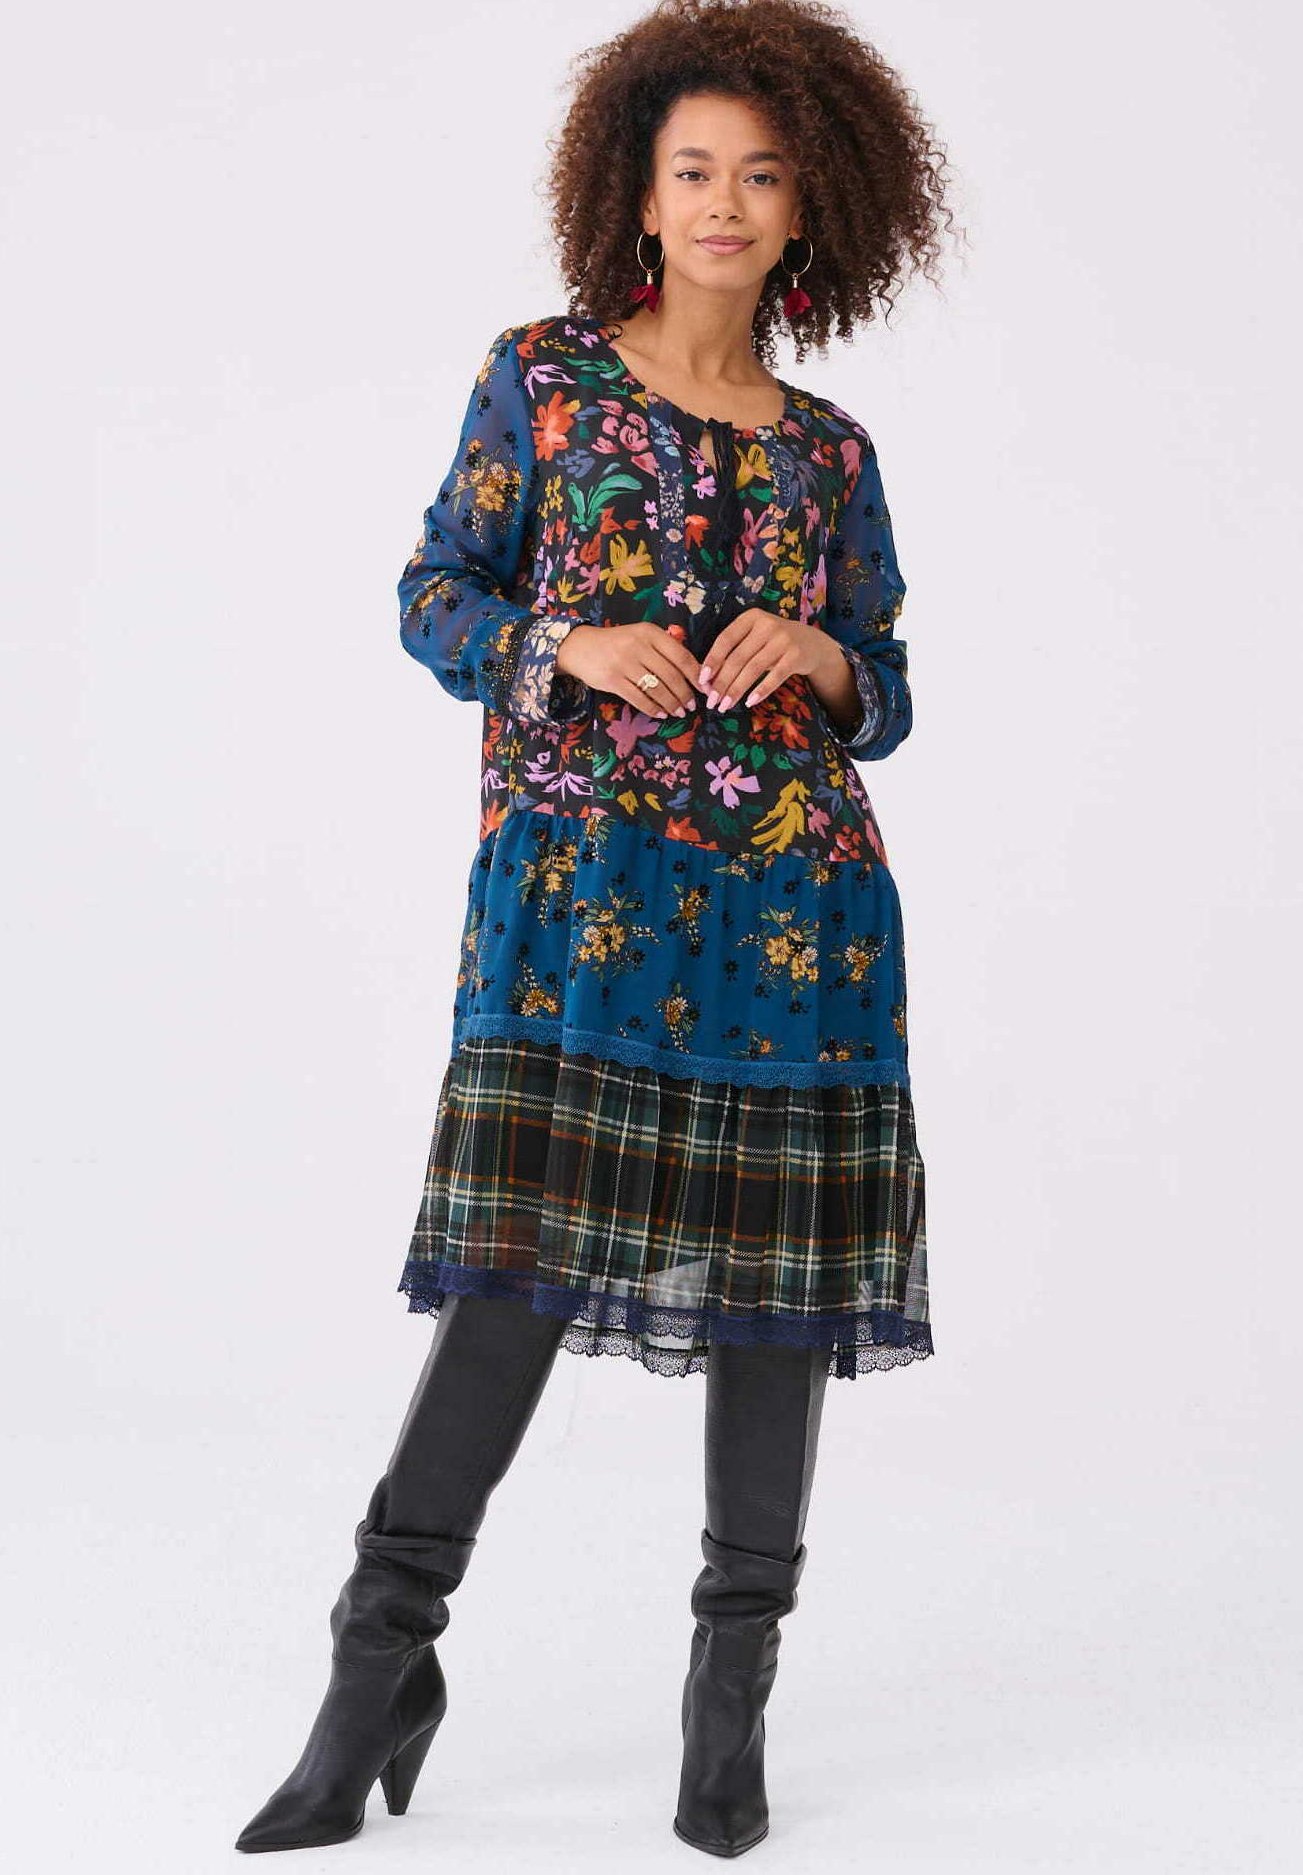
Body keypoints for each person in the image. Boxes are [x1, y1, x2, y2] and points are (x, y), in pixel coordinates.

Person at [235, 0, 957, 1856]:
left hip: (799, 914)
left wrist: (822, 656)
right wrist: (565, 640)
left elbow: (885, 687)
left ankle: (730, 1710)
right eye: (692, 169)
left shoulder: (832, 450)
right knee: (513, 1279)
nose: (723, 202)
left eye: (762, 176)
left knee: (780, 1303)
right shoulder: (545, 381)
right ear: (638, 194)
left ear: (809, 209)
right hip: (577, 905)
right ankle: (374, 1672)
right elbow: (434, 594)